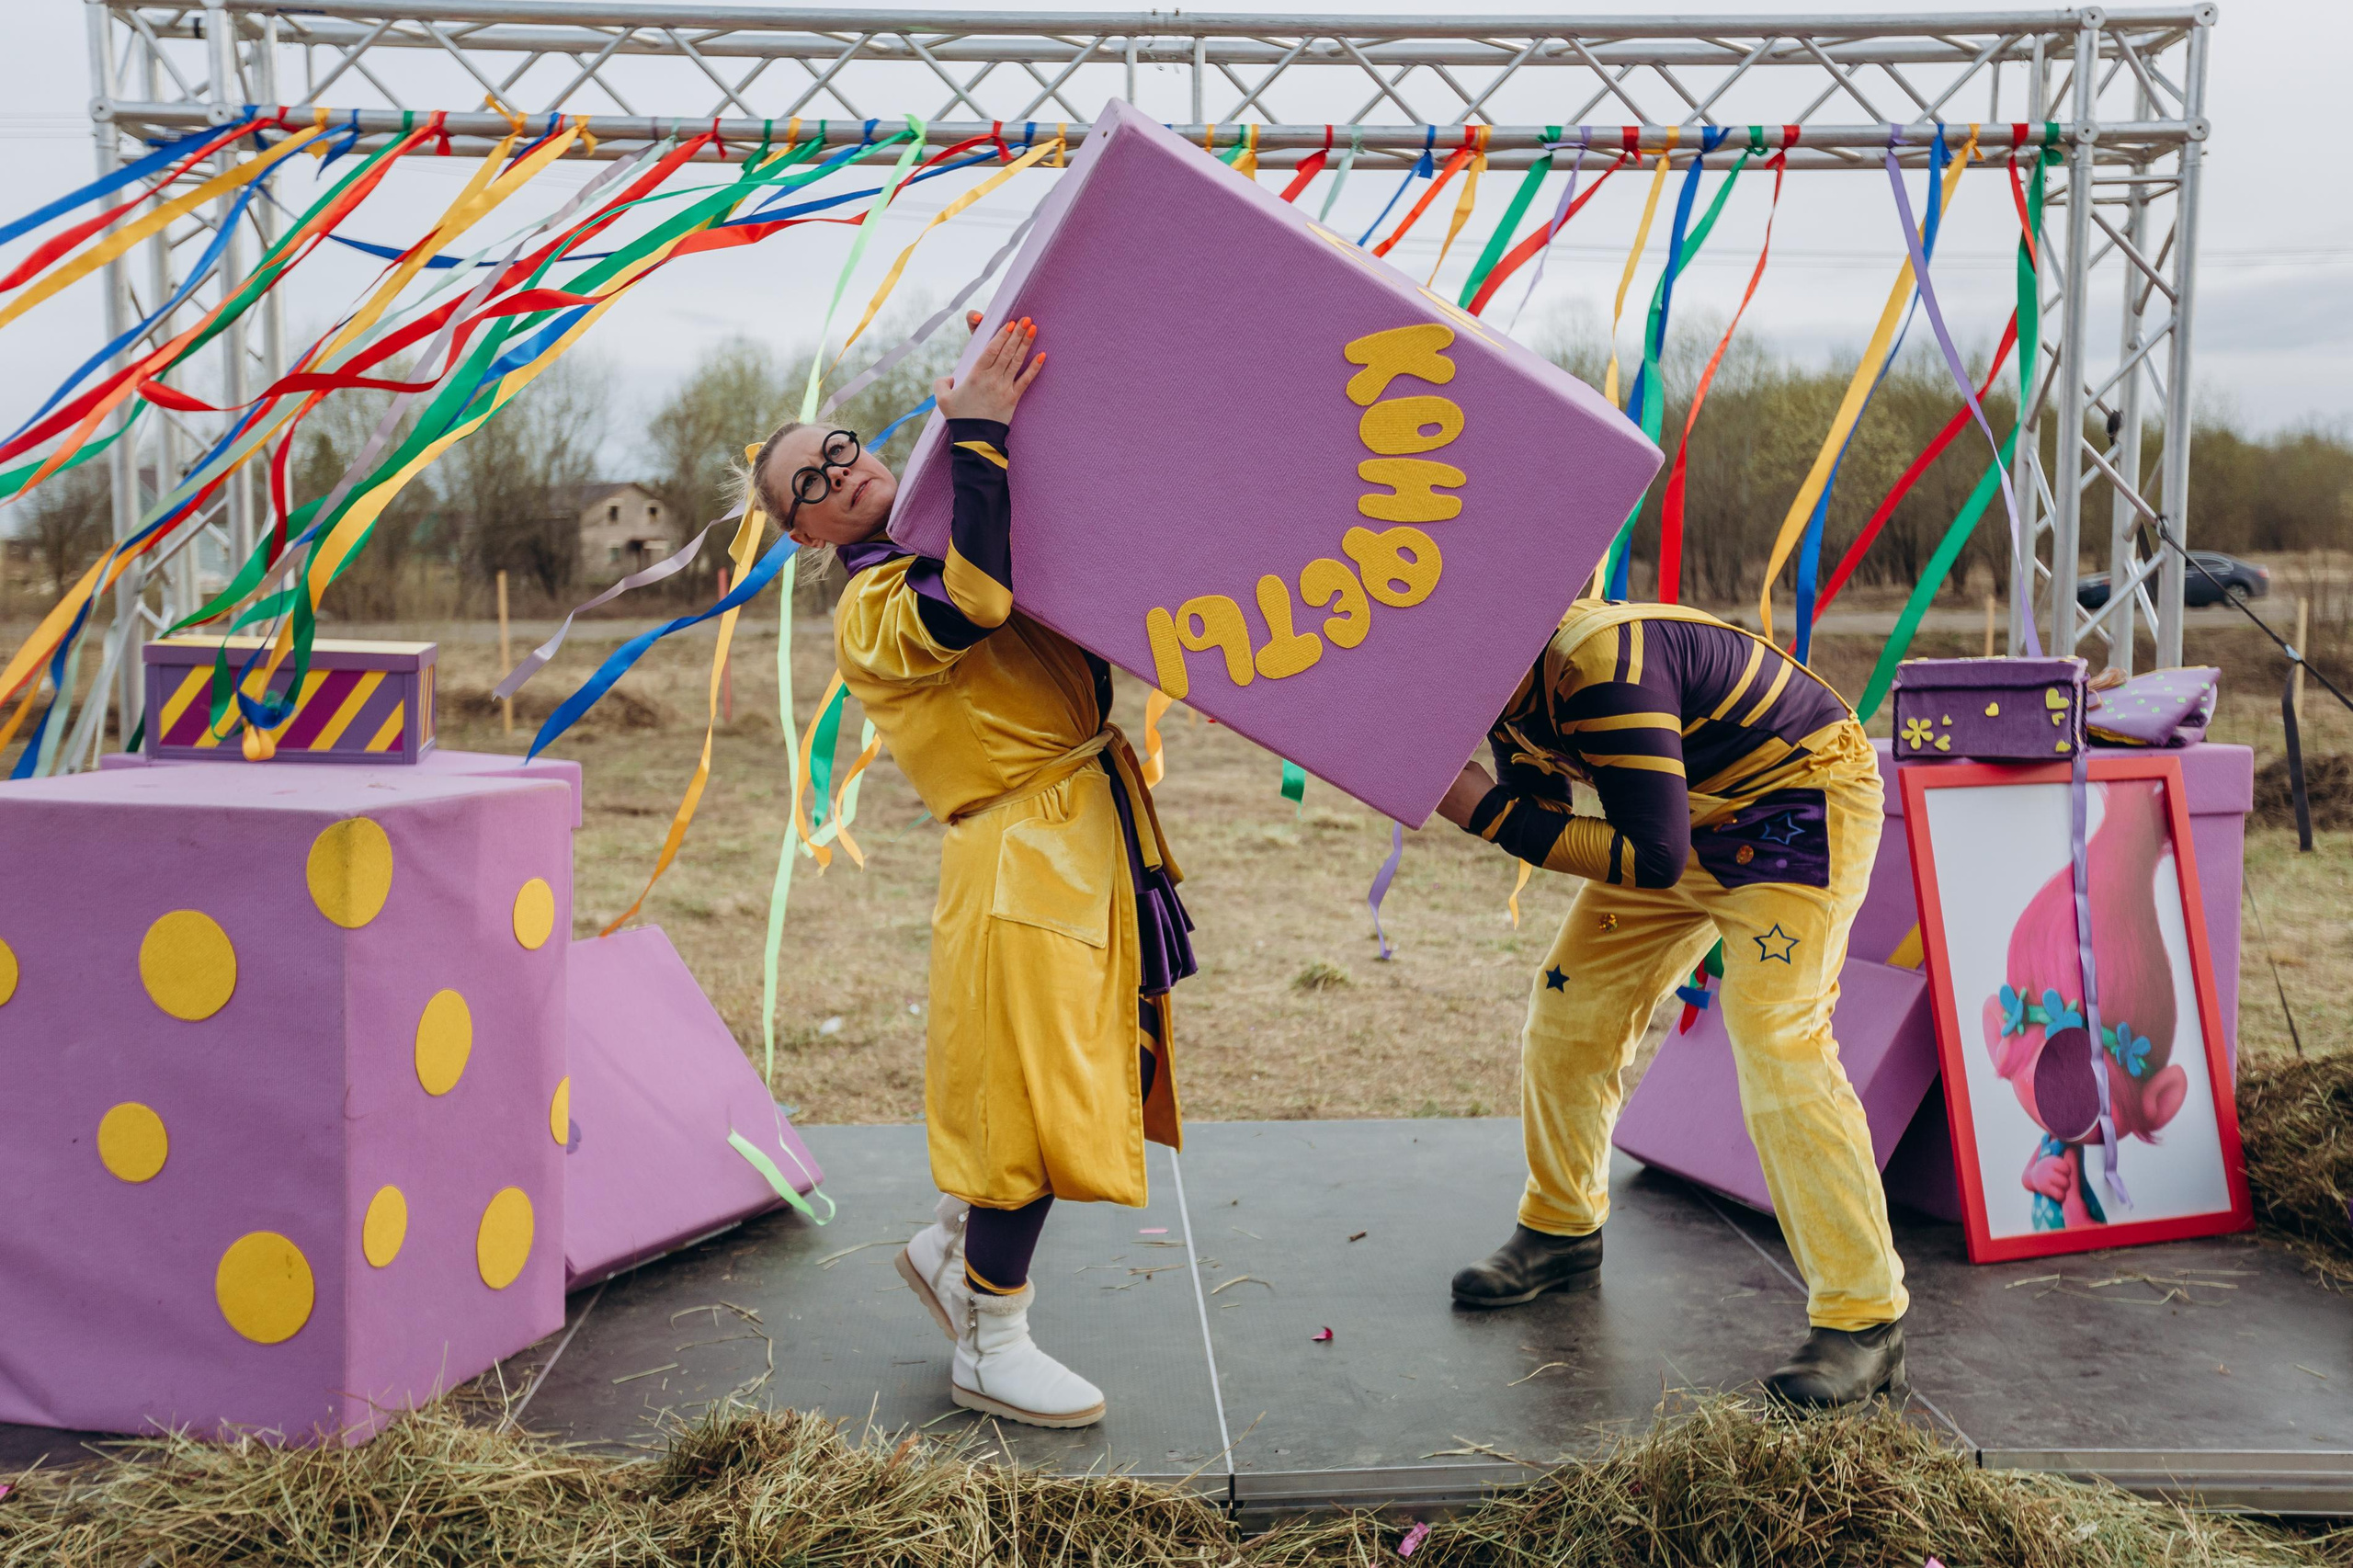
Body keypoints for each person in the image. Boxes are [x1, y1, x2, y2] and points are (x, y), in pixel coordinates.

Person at [746, 319, 1193, 1429]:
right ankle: (991, 1338)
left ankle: (951, 1245)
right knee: (1032, 1101)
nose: (843, 469)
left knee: (1060, 1069)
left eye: (840, 446)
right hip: (1020, 860)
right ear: (801, 529)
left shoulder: (933, 536)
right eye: (814, 479)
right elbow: (978, 603)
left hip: (1083, 829)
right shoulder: (870, 607)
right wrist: (982, 430)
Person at [1432, 597, 1908, 1407]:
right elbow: (1553, 813)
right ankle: (1560, 1231)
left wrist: (1481, 811)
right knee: (1569, 1005)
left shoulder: (1596, 666)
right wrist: (1500, 804)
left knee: (1776, 1036)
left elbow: (1644, 855)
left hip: (1794, 803)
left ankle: (1865, 1318)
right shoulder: (1496, 682)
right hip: (1675, 822)